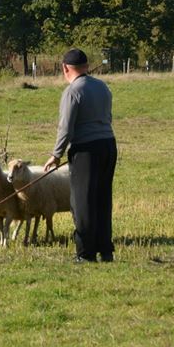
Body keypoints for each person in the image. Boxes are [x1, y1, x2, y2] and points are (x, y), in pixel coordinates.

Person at [43, 48, 117, 263]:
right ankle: (106, 250)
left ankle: (85, 253)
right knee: (103, 198)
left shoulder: (72, 91)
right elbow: (108, 116)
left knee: (82, 201)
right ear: (86, 66)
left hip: (86, 150)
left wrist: (56, 155)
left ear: (65, 68)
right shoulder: (102, 86)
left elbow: (65, 127)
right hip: (108, 145)